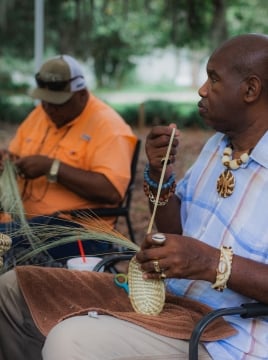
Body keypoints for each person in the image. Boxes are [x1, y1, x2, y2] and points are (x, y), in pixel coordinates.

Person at [0, 33, 268, 360]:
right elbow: (176, 231)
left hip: (226, 332)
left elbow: (199, 256)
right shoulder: (218, 146)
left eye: (213, 79)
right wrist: (160, 175)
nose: (202, 89)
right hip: (164, 300)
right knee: (12, 289)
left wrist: (211, 262)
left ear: (250, 89)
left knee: (71, 341)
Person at [0, 54, 137, 265]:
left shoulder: (108, 127)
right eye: (45, 101)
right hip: (20, 222)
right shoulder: (40, 114)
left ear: (81, 94)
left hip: (75, 231)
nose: (49, 109)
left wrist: (52, 167)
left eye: (58, 103)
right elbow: (15, 155)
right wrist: (7, 162)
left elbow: (110, 191)